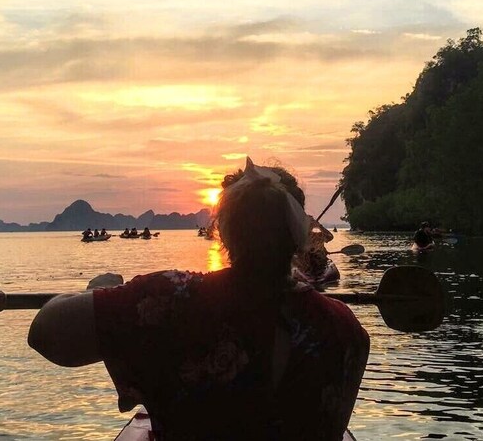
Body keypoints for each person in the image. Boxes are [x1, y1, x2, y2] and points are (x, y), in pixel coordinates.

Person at [28, 157, 369, 439]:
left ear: (224, 231)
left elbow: (45, 333)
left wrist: (98, 292)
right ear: (299, 233)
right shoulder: (347, 331)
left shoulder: (167, 299)